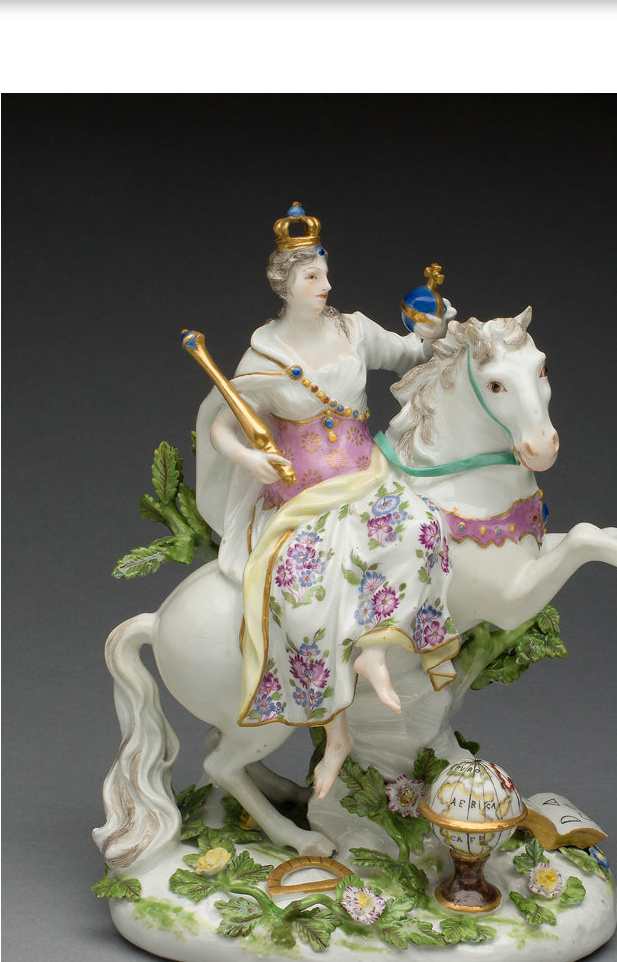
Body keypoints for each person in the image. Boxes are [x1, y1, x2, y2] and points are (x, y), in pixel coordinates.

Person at [194, 204, 460, 797]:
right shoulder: (263, 356)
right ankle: (335, 729)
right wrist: (249, 460)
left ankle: (374, 649)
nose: (326, 285)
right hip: (302, 494)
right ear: (285, 283)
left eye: (326, 273)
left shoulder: (353, 330)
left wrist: (432, 327)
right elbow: (224, 425)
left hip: (366, 475)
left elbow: (410, 354)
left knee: (421, 526)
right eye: (313, 277)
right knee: (305, 581)